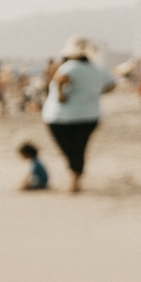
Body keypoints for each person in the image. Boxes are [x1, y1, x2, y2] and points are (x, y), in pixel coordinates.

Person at [42, 38, 113, 192]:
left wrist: (61, 96)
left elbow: (61, 79)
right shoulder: (98, 69)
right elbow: (112, 84)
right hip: (90, 116)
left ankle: (74, 182)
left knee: (69, 149)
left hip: (61, 117)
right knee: (80, 148)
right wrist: (95, 93)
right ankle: (76, 180)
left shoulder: (69, 67)